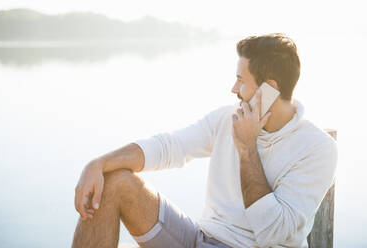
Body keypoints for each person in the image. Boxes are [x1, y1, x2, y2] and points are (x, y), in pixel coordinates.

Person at [72, 33, 338, 248]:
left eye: (240, 81)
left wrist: (247, 147)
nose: (233, 89)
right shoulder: (226, 119)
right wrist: (98, 164)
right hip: (199, 239)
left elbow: (274, 233)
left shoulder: (317, 149)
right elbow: (169, 147)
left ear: (270, 88)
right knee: (115, 181)